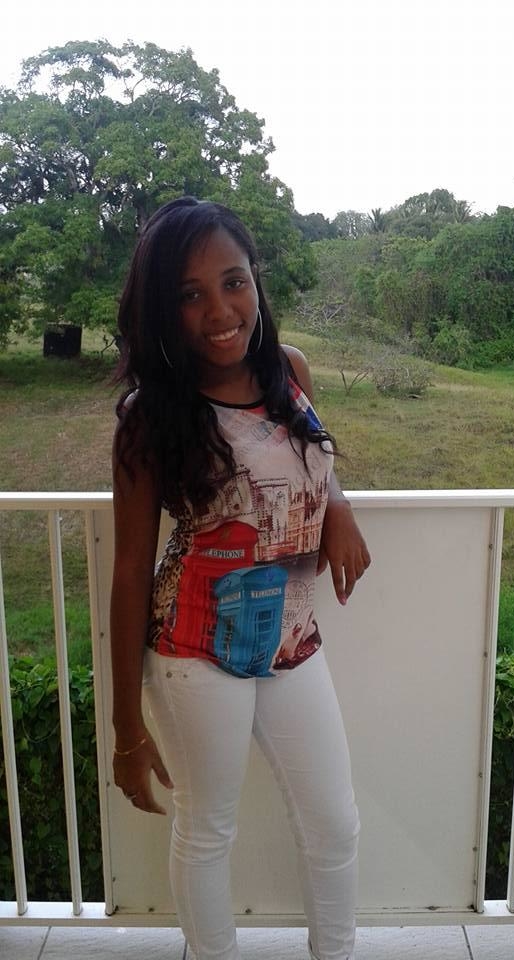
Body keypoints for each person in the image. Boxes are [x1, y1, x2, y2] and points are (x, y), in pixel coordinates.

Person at [110, 197, 371, 960]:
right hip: (195, 649)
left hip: (294, 638)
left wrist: (338, 505)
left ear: (256, 280)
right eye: (191, 294)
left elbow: (306, 453)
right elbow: (130, 570)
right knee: (208, 830)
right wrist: (126, 730)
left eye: (234, 282)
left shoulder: (289, 370)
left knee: (335, 824)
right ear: (162, 309)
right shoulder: (151, 415)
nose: (221, 310)